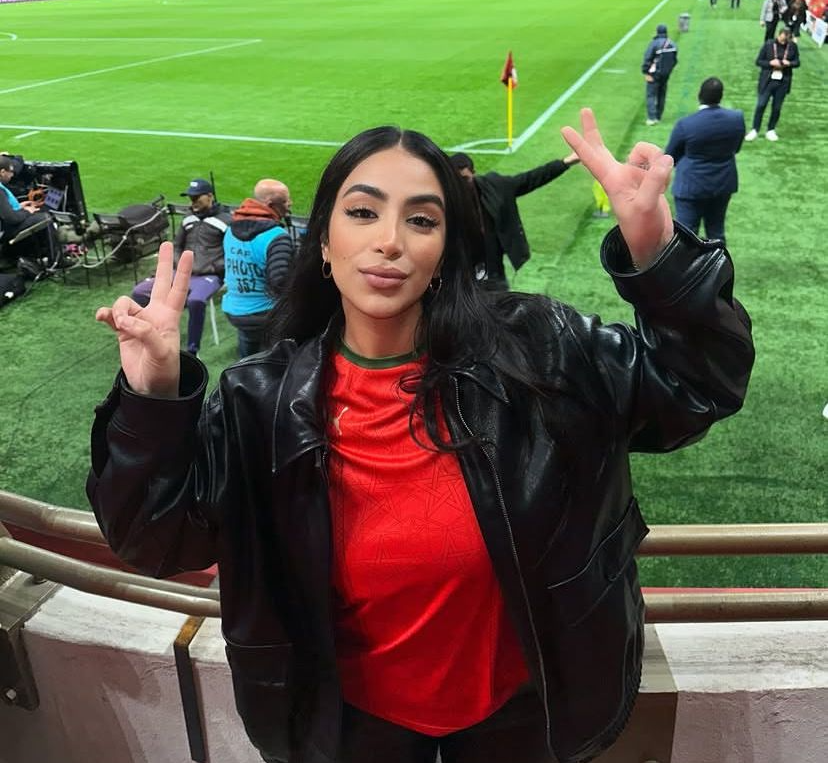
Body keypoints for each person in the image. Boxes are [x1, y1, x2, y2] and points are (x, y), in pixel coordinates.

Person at [89, 112, 754, 763]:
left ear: (443, 254)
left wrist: (656, 251)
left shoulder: (540, 349)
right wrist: (152, 397)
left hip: (527, 723)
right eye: (362, 212)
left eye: (422, 220)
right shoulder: (257, 402)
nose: (390, 241)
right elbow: (152, 538)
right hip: (346, 733)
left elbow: (698, 386)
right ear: (322, 242)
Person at [448, 150, 580, 290]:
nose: (460, 185)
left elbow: (530, 179)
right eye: (456, 180)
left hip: (493, 271)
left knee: (499, 301)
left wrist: (565, 163)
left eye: (464, 179)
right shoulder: (444, 199)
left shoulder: (494, 186)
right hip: (461, 275)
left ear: (474, 173)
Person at [131, 178, 231, 355]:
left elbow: (231, 252)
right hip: (181, 272)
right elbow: (177, 245)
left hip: (209, 275)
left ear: (209, 196)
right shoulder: (188, 218)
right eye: (190, 198)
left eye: (196, 198)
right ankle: (150, 336)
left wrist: (212, 266)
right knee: (139, 291)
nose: (192, 202)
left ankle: (192, 350)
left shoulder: (226, 220)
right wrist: (179, 263)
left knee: (196, 300)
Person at [664, 77, 745, 245]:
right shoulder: (736, 118)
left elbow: (671, 156)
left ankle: (687, 263)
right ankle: (718, 262)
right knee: (716, 232)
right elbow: (736, 148)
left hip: (690, 186)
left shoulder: (686, 124)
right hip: (722, 184)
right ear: (721, 96)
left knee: (686, 236)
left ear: (700, 95)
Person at [222, 178, 295, 357]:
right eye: (286, 201)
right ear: (271, 205)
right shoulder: (276, 236)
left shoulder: (230, 230)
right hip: (265, 314)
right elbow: (280, 283)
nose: (290, 204)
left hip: (235, 311)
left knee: (247, 359)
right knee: (275, 362)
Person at [0, 155, 59, 268]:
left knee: (41, 211)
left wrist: (20, 207)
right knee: (45, 217)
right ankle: (56, 260)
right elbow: (11, 218)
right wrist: (27, 211)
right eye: (11, 172)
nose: (12, 175)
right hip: (5, 231)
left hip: (6, 225)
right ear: (2, 172)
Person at [745, 27, 800, 142]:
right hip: (767, 80)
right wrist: (770, 63)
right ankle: (755, 129)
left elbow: (797, 62)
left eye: (786, 39)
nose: (784, 42)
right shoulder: (769, 44)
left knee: (777, 107)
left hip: (783, 81)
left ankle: (771, 129)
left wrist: (789, 63)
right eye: (783, 39)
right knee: (761, 105)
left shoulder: (792, 46)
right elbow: (758, 61)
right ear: (779, 35)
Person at [641, 24, 678, 126]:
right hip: (665, 74)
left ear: (657, 32)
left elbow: (647, 58)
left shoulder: (654, 43)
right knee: (662, 94)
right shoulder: (672, 44)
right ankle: (658, 116)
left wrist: (646, 72)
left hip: (654, 74)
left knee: (651, 95)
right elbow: (675, 60)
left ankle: (652, 118)